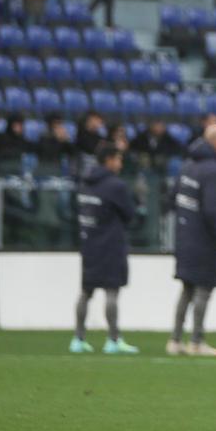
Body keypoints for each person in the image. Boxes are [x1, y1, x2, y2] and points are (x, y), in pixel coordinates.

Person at [170, 124, 216, 357]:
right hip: (204, 240)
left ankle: (175, 340)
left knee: (186, 289)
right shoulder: (213, 171)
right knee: (203, 290)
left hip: (184, 237)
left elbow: (172, 197)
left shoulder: (187, 166)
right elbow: (213, 210)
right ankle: (196, 341)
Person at [72, 142, 137, 355]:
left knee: (86, 291)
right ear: (108, 160)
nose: (120, 163)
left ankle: (78, 338)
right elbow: (130, 214)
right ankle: (113, 339)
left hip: (88, 244)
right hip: (110, 245)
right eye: (118, 159)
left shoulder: (85, 182)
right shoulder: (115, 186)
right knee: (111, 292)